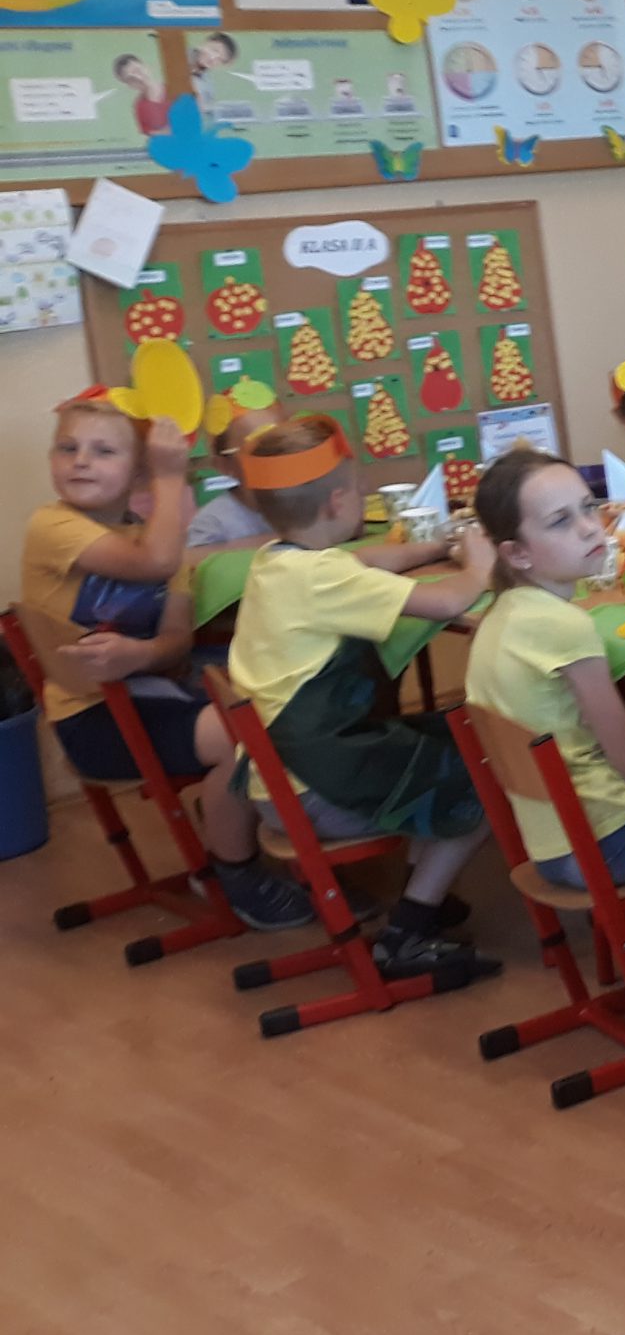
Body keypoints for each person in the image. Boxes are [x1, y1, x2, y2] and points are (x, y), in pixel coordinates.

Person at [21, 392, 307, 926]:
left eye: (104, 451)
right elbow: (155, 562)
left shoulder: (157, 538)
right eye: (68, 448)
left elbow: (176, 641)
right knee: (246, 738)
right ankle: (234, 872)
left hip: (153, 696)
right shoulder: (52, 526)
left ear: (137, 472)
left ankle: (272, 841)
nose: (81, 461)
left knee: (273, 714)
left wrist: (140, 652)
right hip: (95, 719)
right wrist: (171, 477)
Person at [227, 416, 496, 976]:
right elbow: (450, 602)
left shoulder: (278, 561)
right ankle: (408, 931)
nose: (363, 493)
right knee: (489, 771)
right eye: (357, 488)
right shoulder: (322, 580)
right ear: (338, 501)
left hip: (279, 777)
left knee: (452, 735)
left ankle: (425, 894)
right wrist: (479, 565)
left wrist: (435, 546)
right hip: (315, 788)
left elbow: (364, 562)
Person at [463, 451, 625, 890]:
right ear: (516, 553)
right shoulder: (564, 626)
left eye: (588, 507)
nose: (589, 527)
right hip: (615, 842)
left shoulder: (499, 614)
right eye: (560, 521)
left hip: (553, 846)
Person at [187, 396, 277, 549]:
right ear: (224, 465)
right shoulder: (212, 523)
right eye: (257, 451)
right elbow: (194, 559)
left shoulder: (308, 502)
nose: (275, 459)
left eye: (283, 446)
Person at [113, 53, 170, 136]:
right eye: (131, 78)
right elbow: (158, 134)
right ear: (129, 85)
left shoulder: (175, 88)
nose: (138, 78)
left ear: (146, 67)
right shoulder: (140, 107)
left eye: (137, 71)